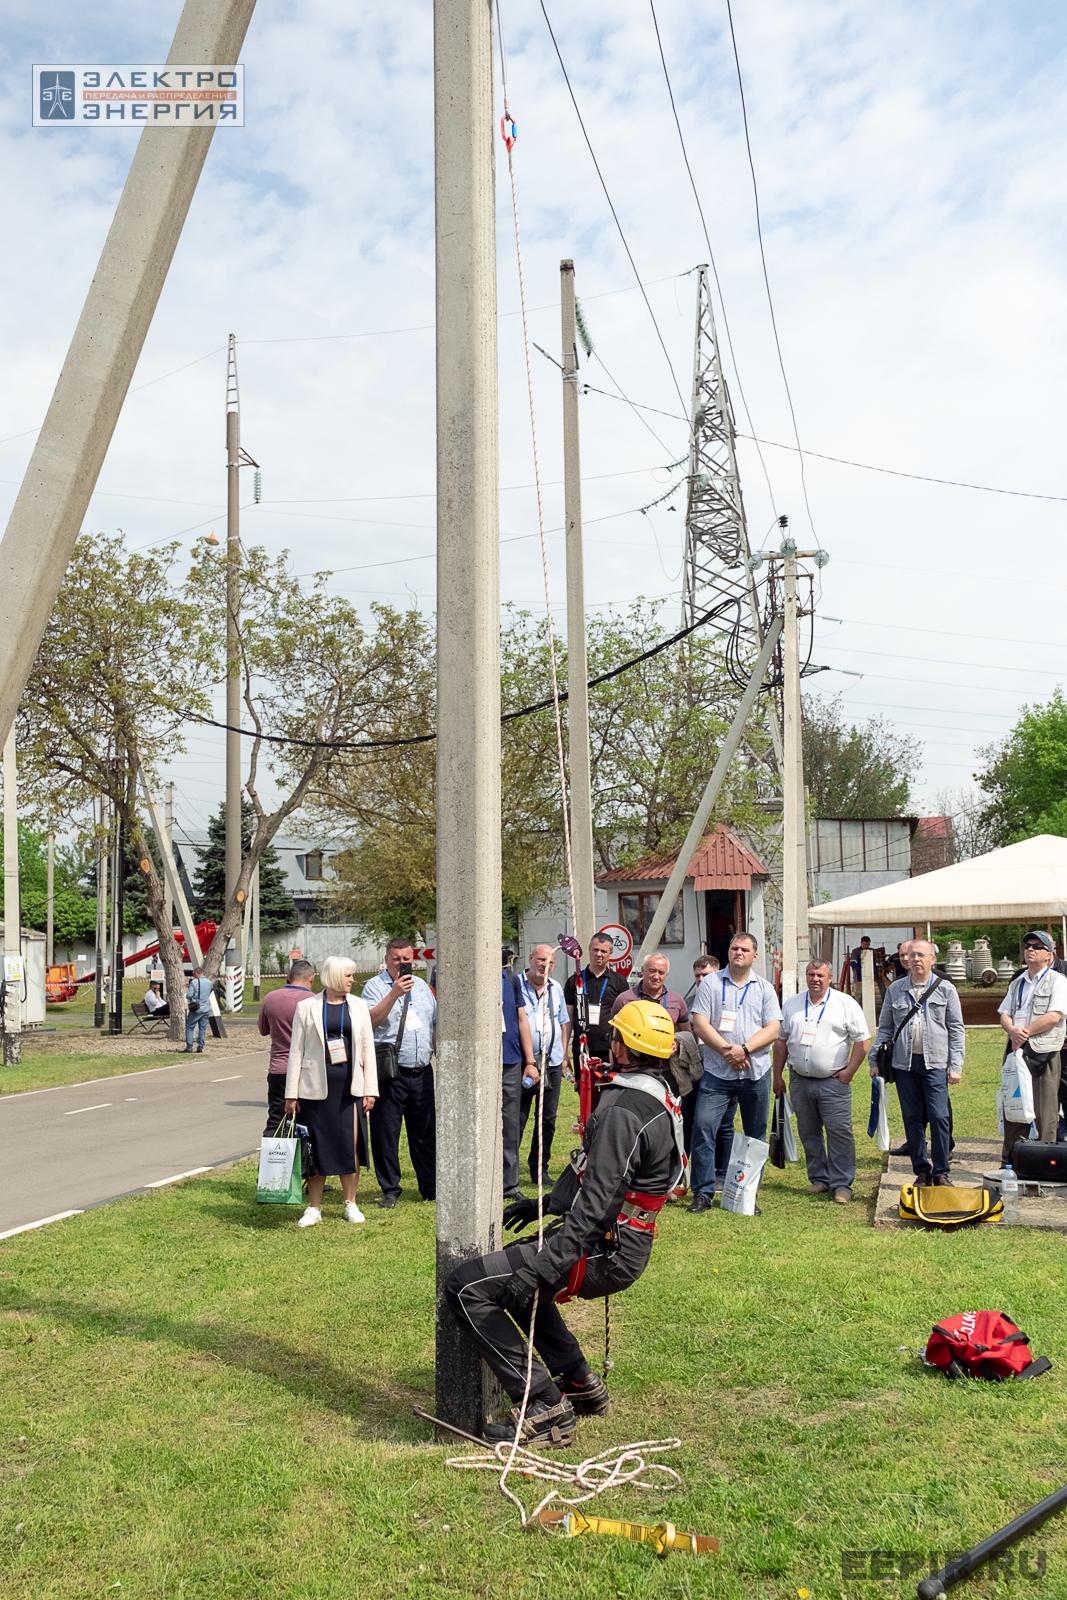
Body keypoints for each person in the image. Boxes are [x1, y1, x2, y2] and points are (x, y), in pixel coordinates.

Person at [444, 999, 685, 1446]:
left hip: (605, 1248)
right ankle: (579, 1383)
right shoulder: (656, 1093)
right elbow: (605, 1175)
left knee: (468, 1287)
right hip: (620, 1242)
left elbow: (596, 1205)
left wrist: (541, 1267)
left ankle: (545, 1406)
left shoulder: (623, 1111)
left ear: (625, 1047)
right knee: (516, 1286)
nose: (607, 1041)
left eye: (613, 1036)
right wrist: (548, 1203)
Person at [688, 931, 782, 1212]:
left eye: (744, 949)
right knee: (704, 1127)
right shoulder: (711, 984)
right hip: (718, 1072)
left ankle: (747, 1195)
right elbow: (700, 1023)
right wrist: (728, 1051)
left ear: (754, 955)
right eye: (733, 948)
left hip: (755, 1073)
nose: (738, 953)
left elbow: (773, 1028)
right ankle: (703, 1193)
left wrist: (744, 1049)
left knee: (755, 1136)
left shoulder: (764, 988)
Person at [285, 956, 377, 1227]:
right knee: (317, 1148)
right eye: (348, 975)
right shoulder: (307, 1007)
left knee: (350, 1148)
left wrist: (370, 1089)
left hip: (350, 1090)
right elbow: (296, 1052)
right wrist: (292, 1093)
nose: (352, 980)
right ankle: (314, 1207)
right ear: (335, 976)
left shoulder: (359, 1006)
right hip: (314, 1090)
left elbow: (368, 1049)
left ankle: (351, 1202)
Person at [772, 960, 870, 1204]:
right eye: (810, 974)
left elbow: (863, 1041)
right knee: (809, 1132)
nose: (815, 979)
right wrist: (777, 1075)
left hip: (833, 1082)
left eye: (820, 975)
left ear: (830, 977)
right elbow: (781, 1041)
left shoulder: (845, 1004)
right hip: (800, 1081)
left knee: (839, 1132)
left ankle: (842, 1184)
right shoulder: (793, 1004)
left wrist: (849, 1071)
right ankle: (819, 1178)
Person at [870, 938, 963, 1187]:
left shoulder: (946, 989)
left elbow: (956, 1029)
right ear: (906, 960)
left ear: (933, 959)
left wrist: (956, 1066)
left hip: (936, 1064)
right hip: (904, 1065)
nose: (916, 959)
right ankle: (921, 1170)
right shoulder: (895, 989)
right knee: (911, 1117)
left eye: (921, 955)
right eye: (912, 955)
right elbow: (885, 1028)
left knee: (939, 1116)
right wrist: (874, 1060)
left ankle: (941, 1171)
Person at [363, 937, 438, 1209]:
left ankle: (429, 1186)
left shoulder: (422, 988)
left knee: (425, 1132)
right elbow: (370, 1021)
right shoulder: (374, 987)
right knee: (386, 1132)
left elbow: (434, 1023)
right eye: (397, 959)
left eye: (407, 959)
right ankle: (390, 1189)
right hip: (390, 1072)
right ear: (387, 959)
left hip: (421, 1071)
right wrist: (393, 993)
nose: (402, 964)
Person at [998, 931, 1067, 1164]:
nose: (1030, 949)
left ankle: (1044, 1164)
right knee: (1014, 1109)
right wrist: (1012, 1031)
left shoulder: (1059, 981)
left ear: (1049, 955)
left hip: (1043, 1052)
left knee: (1045, 1111)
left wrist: (1024, 1033)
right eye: (1027, 945)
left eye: (1037, 946)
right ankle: (1011, 1161)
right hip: (1016, 1051)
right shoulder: (1017, 982)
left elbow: (1055, 1016)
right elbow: (1004, 1014)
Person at [518, 945, 571, 1187]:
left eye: (549, 962)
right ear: (530, 959)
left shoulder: (556, 988)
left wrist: (563, 1055)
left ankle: (540, 1169)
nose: (544, 966)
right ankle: (506, 1172)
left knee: (547, 1119)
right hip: (521, 1063)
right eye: (540, 960)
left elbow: (563, 1023)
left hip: (551, 1062)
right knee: (517, 1118)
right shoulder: (515, 985)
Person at [258, 959, 316, 1135]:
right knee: (308, 1123)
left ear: (289, 977)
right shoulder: (313, 1001)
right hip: (307, 1070)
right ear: (311, 978)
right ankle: (304, 1161)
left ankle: (272, 1160)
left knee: (276, 1119)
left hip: (278, 1069)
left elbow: (263, 1030)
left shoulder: (270, 998)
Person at [562, 931, 629, 1068]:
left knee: (609, 1089)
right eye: (595, 950)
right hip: (581, 1048)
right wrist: (563, 1053)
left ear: (610, 953)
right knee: (584, 1089)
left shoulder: (619, 982)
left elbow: (625, 1018)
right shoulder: (574, 980)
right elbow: (567, 1019)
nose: (599, 954)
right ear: (589, 950)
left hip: (609, 1049)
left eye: (603, 951)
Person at [502, 961, 537, 1200]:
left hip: (510, 1061)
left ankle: (510, 1185)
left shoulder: (511, 979)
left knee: (510, 1124)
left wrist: (530, 1061)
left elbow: (522, 1018)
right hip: (480, 1063)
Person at [610, 953, 690, 1032]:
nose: (656, 976)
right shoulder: (624, 999)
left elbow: (687, 1035)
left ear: (666, 975)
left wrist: (677, 1043)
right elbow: (613, 1034)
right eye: (652, 971)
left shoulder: (677, 1000)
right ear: (642, 971)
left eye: (661, 972)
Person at [184, 966, 213, 1053]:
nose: (193, 976)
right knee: (202, 1028)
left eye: (194, 975)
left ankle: (189, 1047)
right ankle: (200, 1046)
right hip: (206, 1008)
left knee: (189, 1027)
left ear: (197, 973)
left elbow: (189, 995)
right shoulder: (209, 982)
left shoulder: (194, 982)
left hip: (196, 1008)